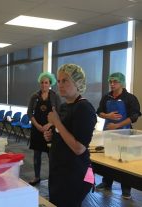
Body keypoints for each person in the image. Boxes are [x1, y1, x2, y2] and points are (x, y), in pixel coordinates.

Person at [44, 64, 97, 207]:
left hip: (74, 174)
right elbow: (63, 134)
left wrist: (56, 122)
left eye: (65, 80)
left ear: (78, 83)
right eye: (59, 81)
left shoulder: (84, 108)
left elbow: (79, 148)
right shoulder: (64, 106)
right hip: (59, 170)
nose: (60, 85)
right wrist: (51, 135)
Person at [95, 72, 141, 199]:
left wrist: (117, 125)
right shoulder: (106, 97)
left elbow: (134, 116)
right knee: (108, 159)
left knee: (124, 161)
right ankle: (106, 183)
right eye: (110, 82)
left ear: (121, 83)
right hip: (108, 134)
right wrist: (107, 116)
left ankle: (126, 190)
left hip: (125, 134)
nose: (112, 84)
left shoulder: (130, 98)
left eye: (115, 82)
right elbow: (99, 112)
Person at [27, 72, 61, 186]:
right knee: (37, 155)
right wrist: (37, 126)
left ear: (50, 83)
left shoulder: (55, 96)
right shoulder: (34, 96)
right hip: (37, 129)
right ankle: (37, 177)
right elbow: (29, 113)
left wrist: (49, 124)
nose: (44, 85)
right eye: (42, 82)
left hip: (50, 130)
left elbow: (59, 113)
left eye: (46, 82)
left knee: (51, 155)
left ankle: (53, 177)